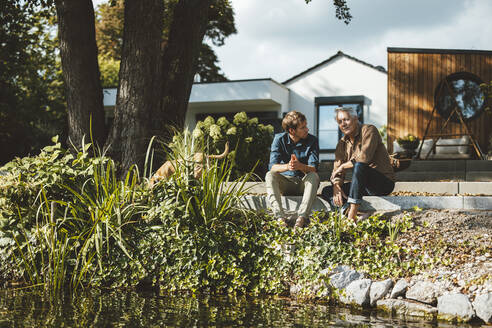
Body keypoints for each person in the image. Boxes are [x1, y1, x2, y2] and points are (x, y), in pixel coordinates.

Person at [321, 107, 395, 222]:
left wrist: (343, 166)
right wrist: (336, 186)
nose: (343, 124)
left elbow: (364, 158)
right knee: (327, 190)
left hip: (382, 183)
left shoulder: (369, 130)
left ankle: (352, 215)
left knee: (359, 166)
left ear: (356, 119)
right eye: (340, 122)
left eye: (346, 120)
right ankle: (349, 211)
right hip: (362, 185)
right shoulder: (342, 143)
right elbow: (336, 169)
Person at [266, 111, 320, 228]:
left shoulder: (312, 140)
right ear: (292, 130)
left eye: (306, 125)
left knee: (313, 176)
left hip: (304, 184)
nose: (307, 129)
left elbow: (314, 169)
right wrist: (288, 166)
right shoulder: (279, 139)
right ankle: (280, 218)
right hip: (286, 183)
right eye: (303, 127)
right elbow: (272, 166)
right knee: (269, 175)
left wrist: (300, 166)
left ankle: (301, 218)